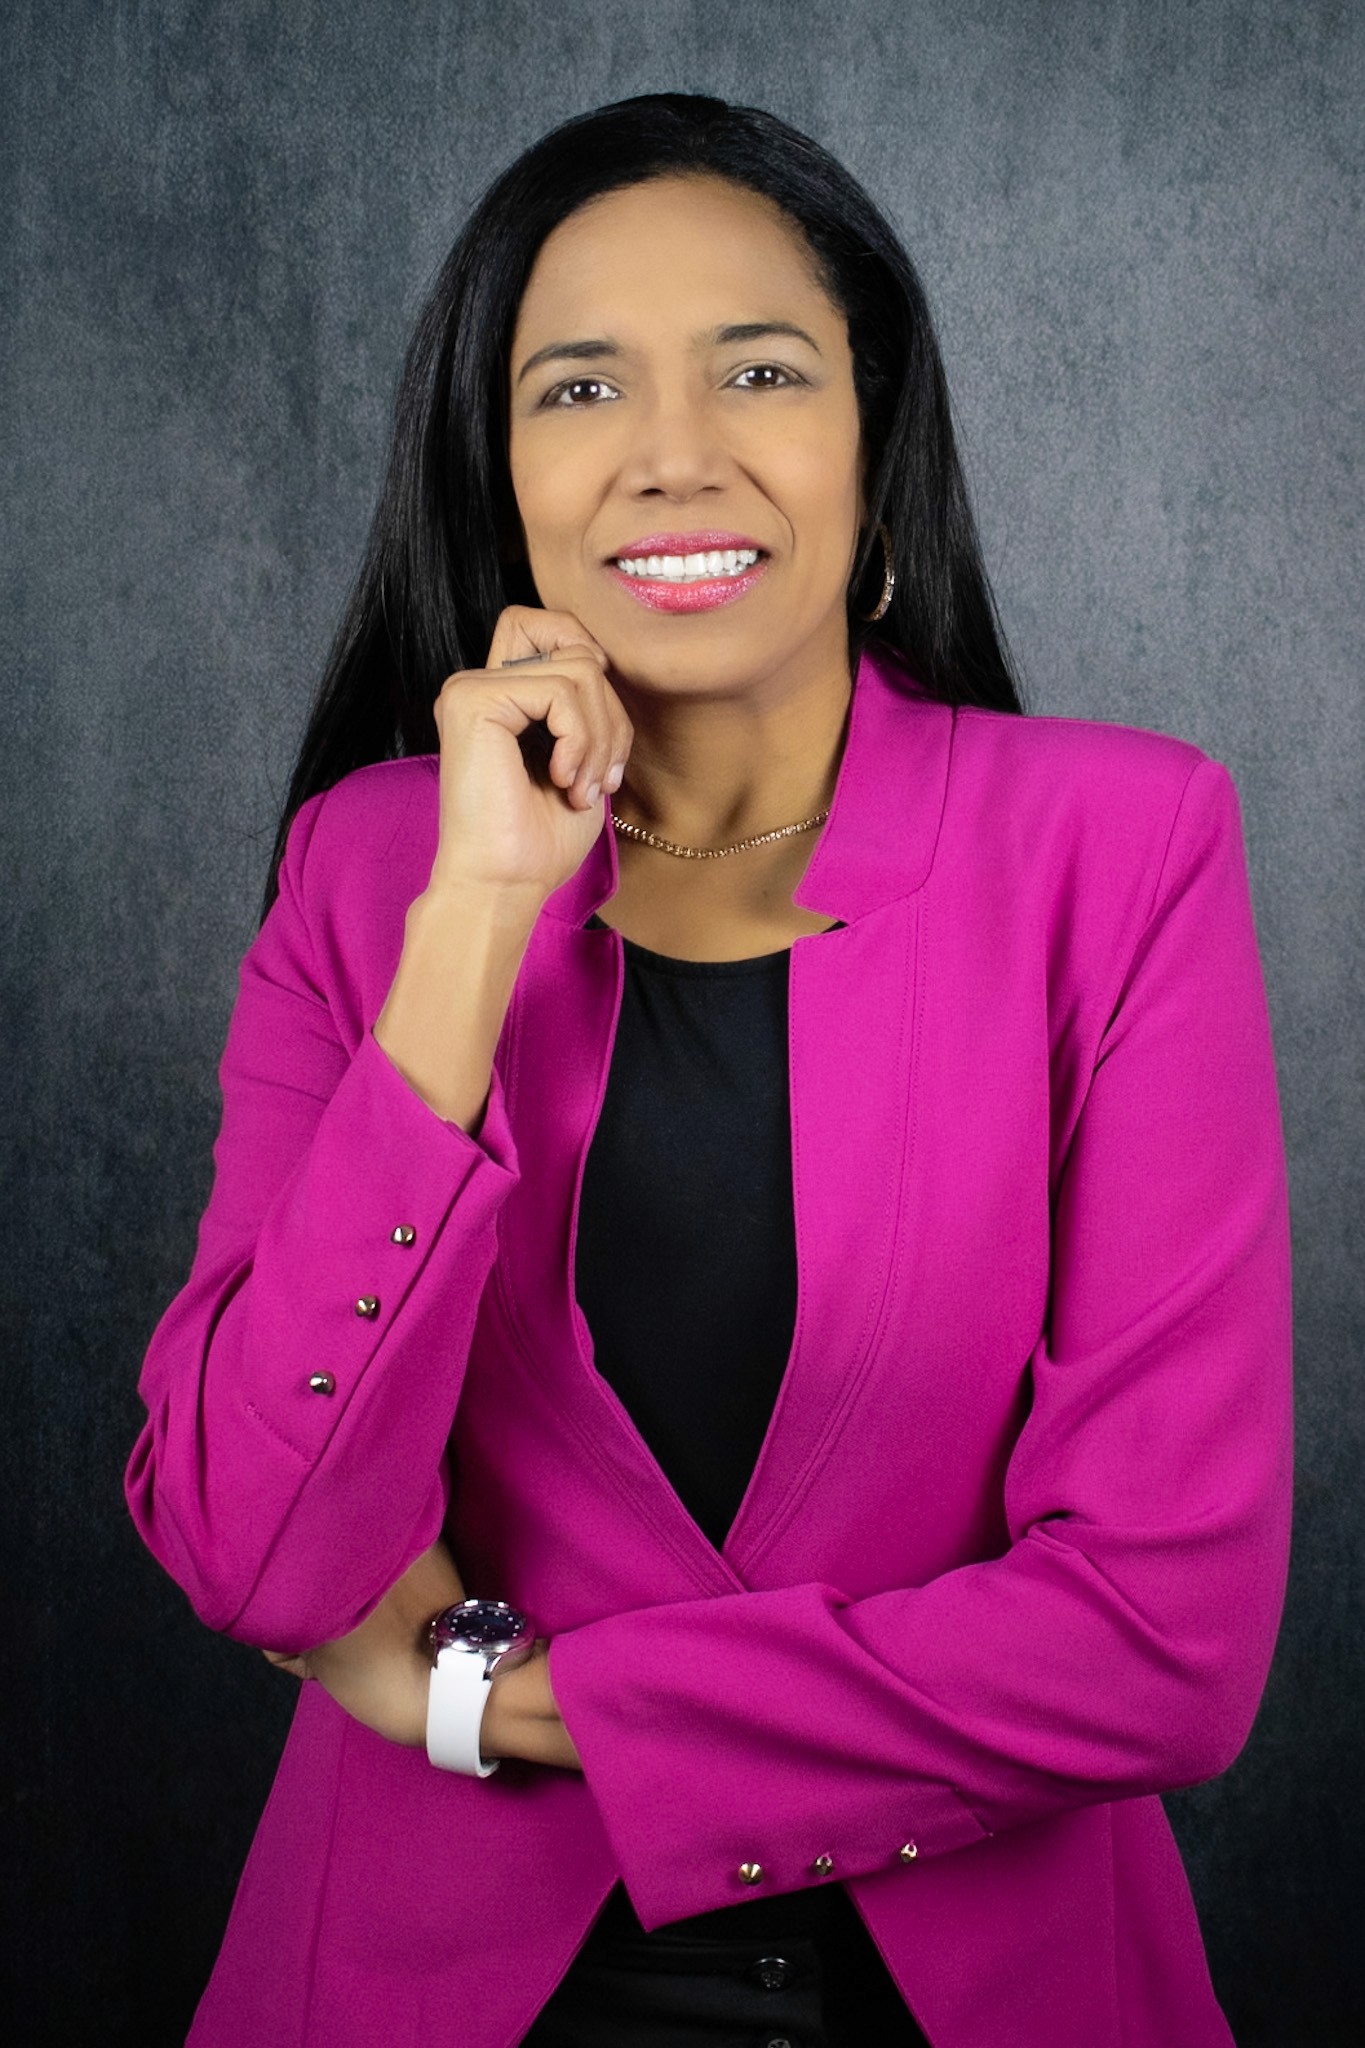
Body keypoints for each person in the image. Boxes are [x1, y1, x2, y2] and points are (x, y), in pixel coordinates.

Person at [124, 92, 1293, 2048]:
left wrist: (496, 1701)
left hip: (991, 1992)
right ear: (499, 472)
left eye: (758, 370)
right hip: (416, 1990)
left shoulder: (1121, 848)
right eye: (579, 388)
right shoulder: (368, 869)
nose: (672, 453)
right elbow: (256, 1540)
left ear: (873, 436)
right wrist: (472, 917)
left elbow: (1163, 1645)